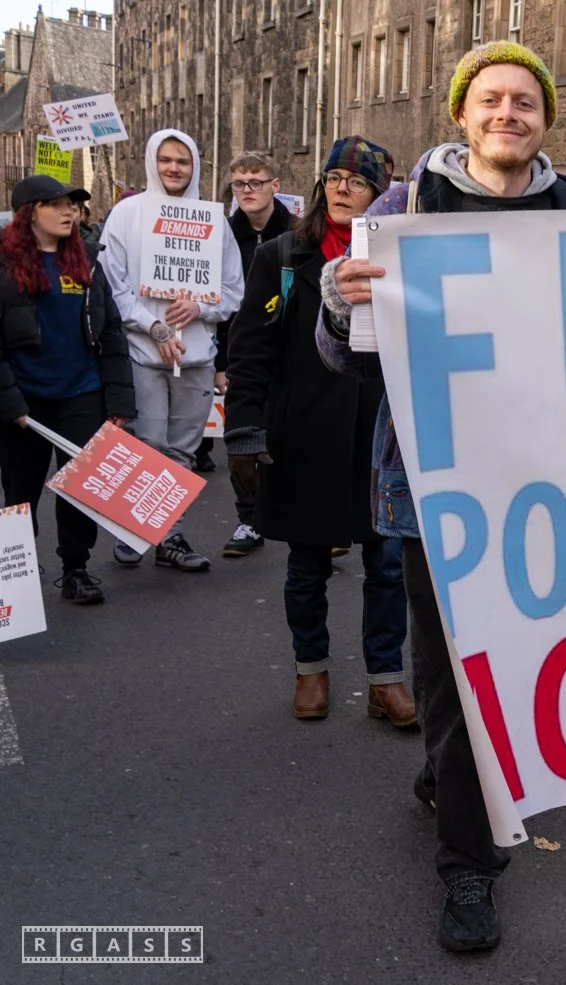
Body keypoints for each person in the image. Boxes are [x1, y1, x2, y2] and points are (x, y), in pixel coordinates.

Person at [316, 41, 566, 953]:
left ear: (544, 119)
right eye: (492, 99)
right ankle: (469, 864)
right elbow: (345, 355)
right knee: (457, 669)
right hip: (436, 494)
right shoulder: (402, 209)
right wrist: (337, 298)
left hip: (554, 488)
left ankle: (446, 773)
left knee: (523, 656)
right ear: (463, 114)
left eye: (525, 101)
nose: (508, 113)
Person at [223, 136, 416, 733]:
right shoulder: (282, 255)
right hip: (303, 429)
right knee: (306, 564)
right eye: (334, 178)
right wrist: (244, 429)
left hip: (379, 431)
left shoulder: (403, 256)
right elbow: (250, 349)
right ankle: (311, 670)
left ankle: (385, 679)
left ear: (378, 194)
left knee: (387, 563)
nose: (341, 189)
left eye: (356, 182)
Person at [99, 129, 244, 572]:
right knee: (147, 445)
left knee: (181, 452)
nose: (174, 168)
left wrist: (199, 306)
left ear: (195, 164)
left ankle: (166, 534)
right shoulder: (127, 215)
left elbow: (233, 290)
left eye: (183, 160)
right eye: (165, 159)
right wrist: (155, 327)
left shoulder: (213, 222)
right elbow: (112, 286)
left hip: (196, 358)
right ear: (151, 162)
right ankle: (137, 530)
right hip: (143, 354)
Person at [0, 176, 136, 604]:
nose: (69, 212)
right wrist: (10, 402)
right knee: (19, 494)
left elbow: (110, 332)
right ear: (29, 214)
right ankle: (17, 578)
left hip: (82, 392)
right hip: (24, 399)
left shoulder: (87, 261)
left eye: (72, 205)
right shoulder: (4, 265)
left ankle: (75, 569)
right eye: (56, 204)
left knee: (82, 490)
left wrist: (119, 400)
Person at [210, 152, 296, 557]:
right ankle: (249, 519)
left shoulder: (297, 233)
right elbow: (217, 301)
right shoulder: (222, 236)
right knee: (241, 438)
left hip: (290, 351)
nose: (247, 191)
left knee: (295, 437)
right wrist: (221, 362)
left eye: (255, 183)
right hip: (242, 351)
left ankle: (309, 517)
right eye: (239, 184)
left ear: (274, 185)